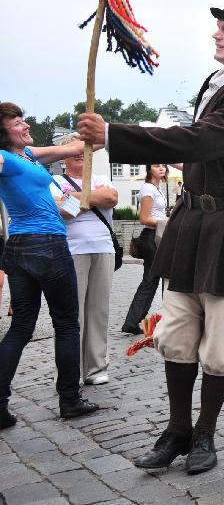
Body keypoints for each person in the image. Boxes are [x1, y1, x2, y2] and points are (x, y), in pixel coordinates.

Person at [78, 0, 224, 474]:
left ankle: (206, 434)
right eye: (219, 26)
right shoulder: (217, 80)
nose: (217, 32)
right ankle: (177, 430)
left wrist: (114, 135)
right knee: (177, 330)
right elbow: (194, 142)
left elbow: (202, 140)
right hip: (194, 220)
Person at [0, 102, 100, 428]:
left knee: (21, 326)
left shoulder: (28, 154)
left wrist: (98, 133)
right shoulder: (8, 160)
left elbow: (74, 147)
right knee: (67, 324)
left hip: (21, 247)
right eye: (17, 122)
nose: (25, 125)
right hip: (46, 246)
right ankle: (70, 399)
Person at [51, 138, 118, 386]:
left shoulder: (102, 178)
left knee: (98, 311)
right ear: (62, 157)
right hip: (71, 250)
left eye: (84, 150)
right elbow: (62, 211)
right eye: (75, 151)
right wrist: (90, 199)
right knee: (72, 312)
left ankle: (96, 368)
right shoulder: (55, 182)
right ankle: (71, 370)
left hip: (103, 248)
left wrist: (76, 198)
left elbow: (111, 198)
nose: (81, 154)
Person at [121, 164, 168, 335]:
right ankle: (167, 320)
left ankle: (133, 321)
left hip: (157, 236)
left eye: (163, 165)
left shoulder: (157, 188)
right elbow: (144, 218)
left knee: (152, 280)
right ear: (149, 169)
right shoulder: (148, 188)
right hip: (152, 237)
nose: (161, 168)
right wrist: (167, 222)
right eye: (157, 166)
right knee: (156, 279)